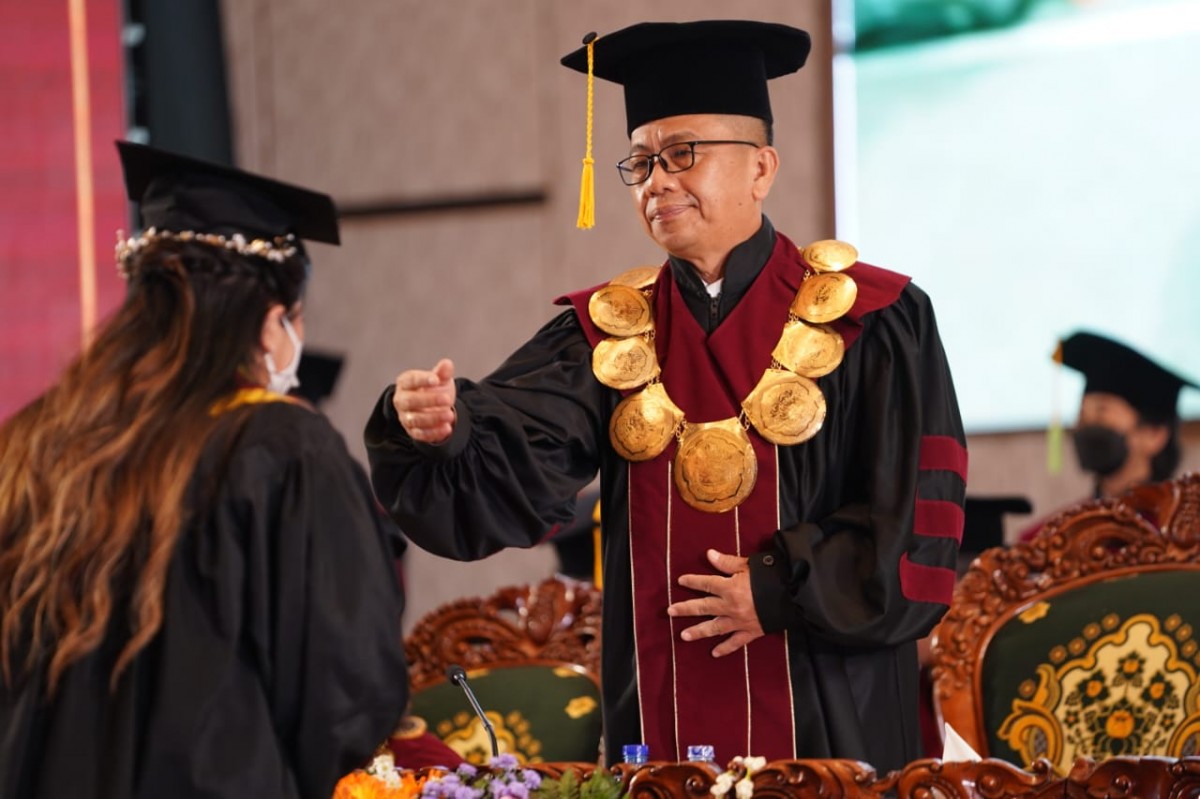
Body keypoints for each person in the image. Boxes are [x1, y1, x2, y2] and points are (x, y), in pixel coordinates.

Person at [366, 21, 966, 773]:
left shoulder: (875, 319)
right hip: (660, 708)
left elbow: (917, 530)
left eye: (683, 154)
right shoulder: (603, 332)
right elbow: (514, 455)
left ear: (761, 169)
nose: (657, 180)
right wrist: (440, 429)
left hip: (828, 710)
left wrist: (781, 588)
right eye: (642, 161)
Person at [0, 142, 409, 798]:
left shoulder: (34, 441)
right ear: (270, 319)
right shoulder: (283, 449)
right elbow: (347, 689)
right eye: (295, 319)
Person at [1018, 330, 1196, 541]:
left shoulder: (1186, 538)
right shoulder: (1053, 539)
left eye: (1102, 411)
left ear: (1154, 435)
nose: (1087, 425)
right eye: (1082, 414)